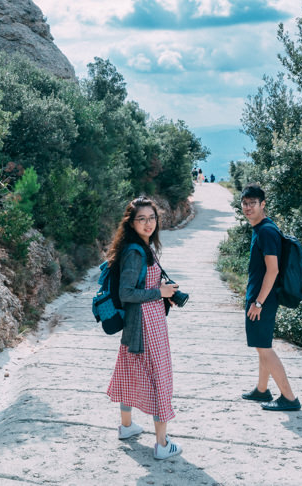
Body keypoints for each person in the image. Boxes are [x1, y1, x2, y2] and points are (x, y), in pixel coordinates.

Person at [106, 196, 183, 460]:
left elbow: (142, 289)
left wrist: (165, 294)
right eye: (142, 219)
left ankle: (126, 427)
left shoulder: (143, 246)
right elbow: (126, 292)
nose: (148, 223)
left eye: (152, 218)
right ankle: (162, 444)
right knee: (159, 380)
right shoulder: (135, 252)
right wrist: (157, 292)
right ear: (132, 222)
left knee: (130, 374)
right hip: (146, 328)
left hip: (140, 325)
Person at [239, 184, 301, 411]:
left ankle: (289, 398)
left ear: (262, 204)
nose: (248, 208)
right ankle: (262, 390)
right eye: (245, 203)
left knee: (264, 348)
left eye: (253, 203)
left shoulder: (266, 231)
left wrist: (258, 302)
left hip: (262, 299)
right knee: (261, 345)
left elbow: (272, 270)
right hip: (261, 297)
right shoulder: (264, 228)